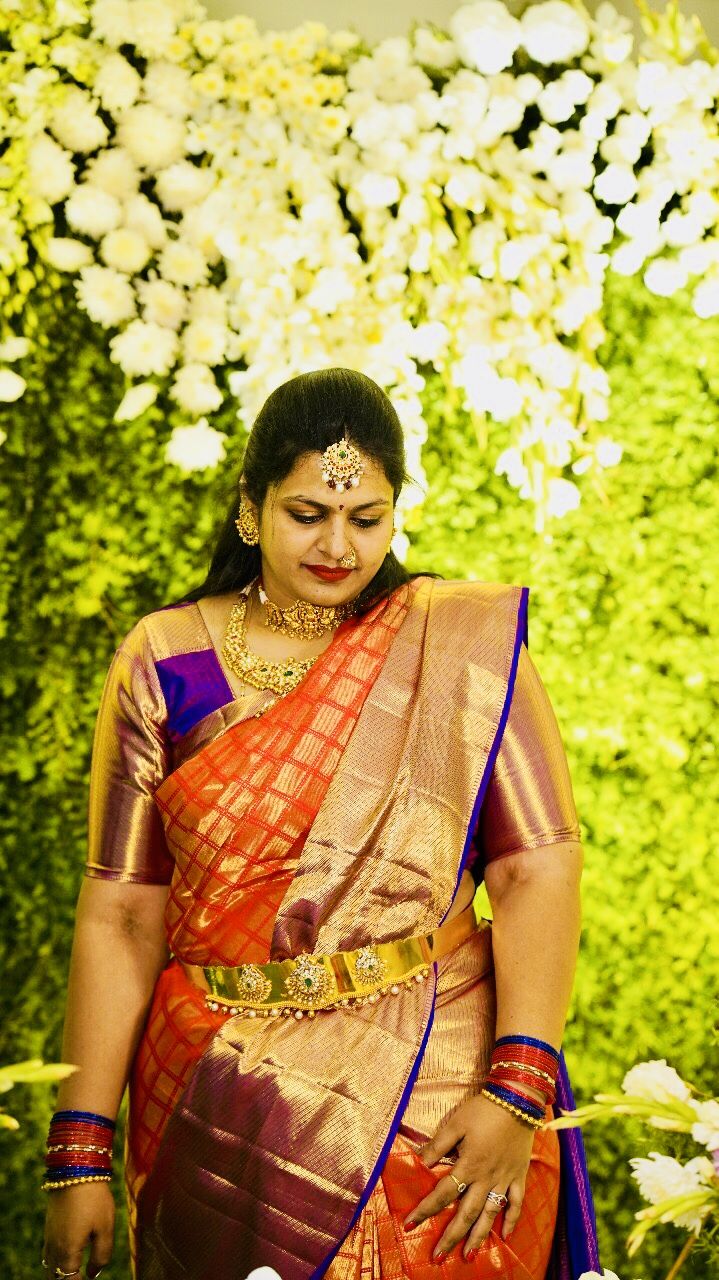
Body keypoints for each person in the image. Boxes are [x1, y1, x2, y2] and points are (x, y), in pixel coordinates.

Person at [42, 368, 600, 1280]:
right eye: (307, 514)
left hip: (435, 1074)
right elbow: (124, 909)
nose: (339, 545)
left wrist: (517, 1088)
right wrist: (79, 1151)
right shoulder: (180, 665)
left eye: (367, 517)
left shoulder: (452, 647)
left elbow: (535, 864)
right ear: (249, 509)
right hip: (216, 1091)